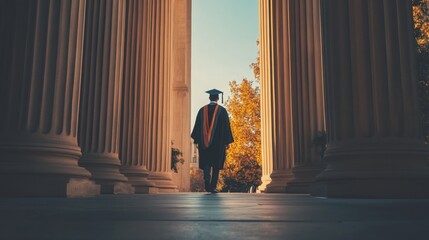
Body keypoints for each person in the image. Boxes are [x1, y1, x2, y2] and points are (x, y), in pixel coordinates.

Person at [191, 89, 234, 193]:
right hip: (218, 144)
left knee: (206, 162)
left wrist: (197, 141)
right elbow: (226, 127)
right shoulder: (222, 111)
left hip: (204, 143)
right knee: (216, 165)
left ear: (209, 98)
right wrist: (227, 142)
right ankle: (213, 187)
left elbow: (197, 127)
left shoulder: (202, 110)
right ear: (218, 98)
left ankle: (206, 178)